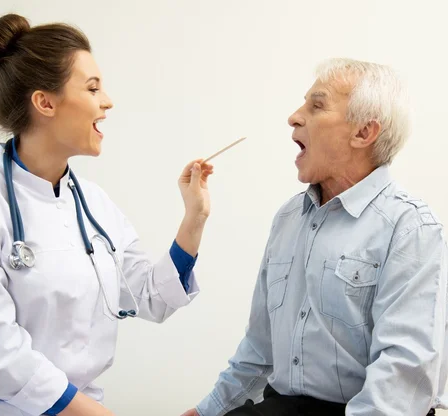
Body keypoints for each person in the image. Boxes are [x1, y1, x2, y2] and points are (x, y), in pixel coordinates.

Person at [0, 13, 214, 416]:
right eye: (92, 87)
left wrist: (195, 218)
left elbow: (149, 298)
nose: (108, 101)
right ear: (44, 102)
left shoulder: (95, 206)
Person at [182, 58, 448, 416]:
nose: (294, 116)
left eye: (316, 105)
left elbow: (402, 377)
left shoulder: (410, 227)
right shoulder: (288, 218)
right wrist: (203, 413)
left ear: (363, 133)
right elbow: (260, 350)